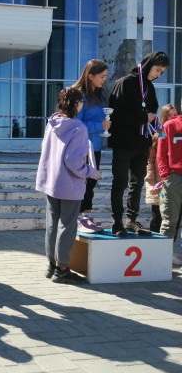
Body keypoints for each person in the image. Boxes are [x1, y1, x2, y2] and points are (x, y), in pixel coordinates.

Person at [36, 88, 99, 284]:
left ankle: (52, 264)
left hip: (50, 180)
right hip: (69, 183)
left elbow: (44, 148)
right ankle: (62, 268)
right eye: (81, 102)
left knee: (52, 224)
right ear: (77, 104)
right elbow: (73, 161)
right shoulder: (78, 127)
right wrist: (91, 172)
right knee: (67, 226)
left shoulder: (52, 123)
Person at [108, 52, 168, 237]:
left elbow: (153, 110)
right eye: (157, 70)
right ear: (149, 65)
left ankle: (131, 220)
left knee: (137, 183)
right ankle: (117, 222)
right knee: (120, 182)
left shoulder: (150, 86)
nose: (158, 74)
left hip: (142, 143)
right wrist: (143, 117)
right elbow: (116, 114)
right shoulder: (125, 83)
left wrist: (151, 121)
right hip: (123, 142)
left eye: (162, 72)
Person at [71, 59, 110, 233]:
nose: (104, 79)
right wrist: (99, 126)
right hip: (82, 147)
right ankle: (78, 218)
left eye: (105, 76)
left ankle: (86, 216)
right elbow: (75, 125)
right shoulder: (79, 95)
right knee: (83, 183)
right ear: (90, 76)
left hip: (96, 147)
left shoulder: (99, 94)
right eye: (102, 76)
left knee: (91, 183)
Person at [145, 104, 178, 234]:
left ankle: (170, 244)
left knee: (174, 217)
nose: (172, 118)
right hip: (159, 182)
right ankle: (155, 243)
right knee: (157, 216)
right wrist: (151, 182)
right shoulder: (157, 135)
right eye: (169, 115)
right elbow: (150, 161)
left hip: (174, 180)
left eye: (175, 115)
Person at [156, 102, 182, 265]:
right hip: (174, 177)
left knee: (169, 220)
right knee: (169, 219)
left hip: (172, 177)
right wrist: (166, 176)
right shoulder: (168, 125)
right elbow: (161, 153)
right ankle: (163, 258)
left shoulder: (167, 125)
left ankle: (164, 258)